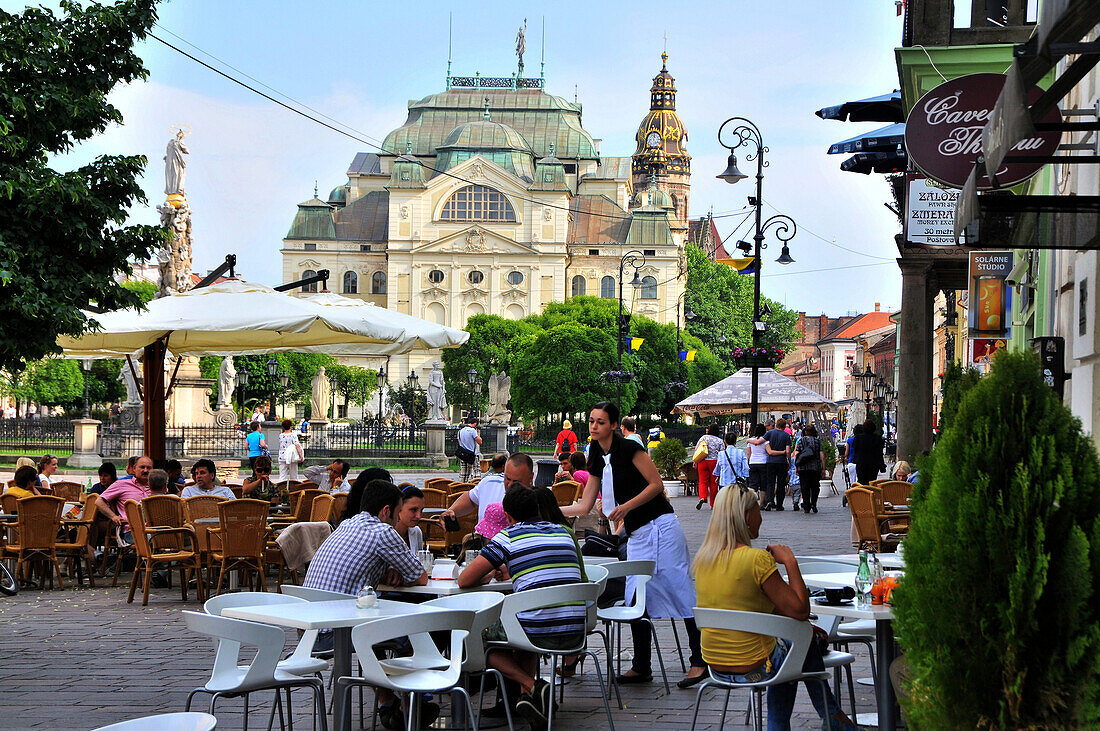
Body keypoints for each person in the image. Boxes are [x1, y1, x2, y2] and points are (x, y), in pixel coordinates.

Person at [561, 401, 707, 688]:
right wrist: (551, 509)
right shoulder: (593, 452)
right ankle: (642, 666)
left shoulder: (629, 448)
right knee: (635, 595)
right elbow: (587, 503)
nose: (594, 426)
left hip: (661, 527)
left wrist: (625, 507)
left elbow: (656, 484)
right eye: (591, 421)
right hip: (638, 533)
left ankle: (699, 661)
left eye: (600, 422)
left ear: (614, 425)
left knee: (680, 589)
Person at [693, 485, 857, 731]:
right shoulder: (756, 560)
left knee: (795, 643)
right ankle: (826, 718)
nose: (762, 517)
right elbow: (801, 610)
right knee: (802, 638)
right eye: (759, 510)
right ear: (747, 516)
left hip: (716, 665)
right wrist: (789, 561)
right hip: (754, 667)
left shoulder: (703, 560)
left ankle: (830, 718)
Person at [304, 479, 431, 729]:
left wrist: (387, 568)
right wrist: (395, 568)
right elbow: (421, 576)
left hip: (309, 628)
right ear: (385, 511)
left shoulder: (347, 525)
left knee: (374, 629)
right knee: (410, 633)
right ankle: (410, 703)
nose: (397, 522)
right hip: (336, 629)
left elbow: (360, 566)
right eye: (396, 515)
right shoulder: (382, 532)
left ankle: (388, 702)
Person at [458, 485, 587, 730]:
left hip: (537, 628)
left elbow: (465, 580)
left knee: (476, 635)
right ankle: (530, 700)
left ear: (508, 517)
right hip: (574, 629)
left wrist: (487, 574)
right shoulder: (563, 532)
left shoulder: (508, 536)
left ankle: (532, 685)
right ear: (537, 509)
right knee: (524, 627)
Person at [96, 456, 154, 544]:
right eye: (142, 467)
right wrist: (113, 516)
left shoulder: (156, 486)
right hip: (132, 531)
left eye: (148, 468)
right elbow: (99, 501)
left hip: (156, 529)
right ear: (134, 469)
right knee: (156, 540)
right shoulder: (122, 484)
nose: (145, 470)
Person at [442, 452, 508, 524]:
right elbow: (471, 498)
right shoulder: (488, 481)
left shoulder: (486, 479)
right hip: (483, 533)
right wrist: (451, 511)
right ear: (504, 467)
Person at [763, 418, 793, 511]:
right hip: (781, 462)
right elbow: (788, 451)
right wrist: (789, 461)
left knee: (770, 483)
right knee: (781, 483)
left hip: (771, 461)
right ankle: (779, 504)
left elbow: (762, 441)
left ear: (776, 425)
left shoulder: (770, 433)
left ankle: (769, 501)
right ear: (784, 426)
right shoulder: (787, 436)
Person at [693, 424, 725, 510]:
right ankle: (713, 503)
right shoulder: (720, 441)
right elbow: (722, 453)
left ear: (709, 430)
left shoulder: (703, 438)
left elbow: (697, 449)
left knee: (702, 481)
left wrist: (695, 462)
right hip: (714, 462)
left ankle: (702, 497)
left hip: (702, 461)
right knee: (714, 483)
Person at [793, 425, 823, 514]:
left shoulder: (801, 440)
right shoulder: (817, 441)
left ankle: (806, 506)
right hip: (815, 467)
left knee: (804, 487)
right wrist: (823, 468)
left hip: (803, 468)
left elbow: (796, 454)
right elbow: (822, 455)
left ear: (805, 432)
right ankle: (813, 503)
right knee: (815, 487)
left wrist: (796, 467)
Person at [851, 419, 885, 485]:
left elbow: (855, 451)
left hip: (861, 463)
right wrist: (882, 465)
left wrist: (854, 460)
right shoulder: (877, 438)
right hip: (873, 464)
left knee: (861, 481)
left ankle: (863, 494)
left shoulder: (858, 438)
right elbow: (879, 454)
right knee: (872, 481)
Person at [393, 485, 425, 554]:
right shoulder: (385, 535)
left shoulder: (416, 532)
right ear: (398, 507)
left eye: (421, 510)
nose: (419, 516)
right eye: (414, 510)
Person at [746, 424, 769, 506]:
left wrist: (747, 463)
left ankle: (752, 502)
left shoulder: (750, 440)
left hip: (753, 462)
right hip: (763, 462)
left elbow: (748, 453)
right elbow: (768, 451)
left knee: (753, 484)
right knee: (763, 484)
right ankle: (762, 503)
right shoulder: (766, 441)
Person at [456, 417, 483, 483]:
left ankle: (461, 487)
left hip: (463, 454)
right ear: (475, 424)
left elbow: (459, 441)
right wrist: (478, 433)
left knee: (463, 474)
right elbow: (480, 442)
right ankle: (475, 487)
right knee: (476, 473)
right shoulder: (472, 431)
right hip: (472, 455)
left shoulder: (460, 431)